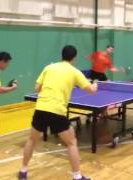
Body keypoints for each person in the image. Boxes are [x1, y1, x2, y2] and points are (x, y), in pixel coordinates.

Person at [18, 45, 98, 180]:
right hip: (57, 111)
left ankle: (23, 171)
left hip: (41, 108)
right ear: (74, 58)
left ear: (62, 55)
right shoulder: (75, 72)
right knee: (72, 142)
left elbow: (37, 88)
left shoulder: (49, 68)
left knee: (32, 140)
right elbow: (90, 90)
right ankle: (77, 176)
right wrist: (95, 85)